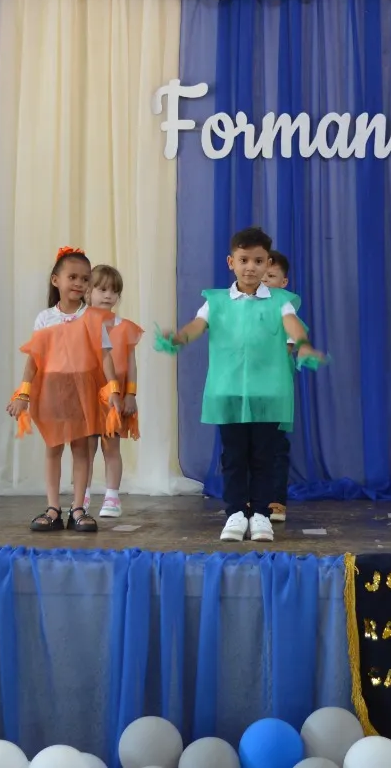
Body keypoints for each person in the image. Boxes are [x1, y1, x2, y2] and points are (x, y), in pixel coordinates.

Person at [159, 227, 325, 545]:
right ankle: (236, 512)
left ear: (267, 264)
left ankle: (261, 514)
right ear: (231, 262)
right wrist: (179, 337)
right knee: (234, 456)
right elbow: (197, 325)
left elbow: (292, 325)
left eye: (258, 261)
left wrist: (303, 344)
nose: (251, 267)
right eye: (244, 260)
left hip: (268, 394)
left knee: (264, 456)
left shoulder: (281, 301)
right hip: (229, 392)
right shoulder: (216, 301)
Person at [7, 248, 120, 533]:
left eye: (85, 279)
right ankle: (53, 508)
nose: (79, 283)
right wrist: (23, 395)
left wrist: (114, 390)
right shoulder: (45, 318)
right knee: (53, 449)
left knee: (82, 450)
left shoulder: (93, 317)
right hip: (52, 392)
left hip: (83, 392)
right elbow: (34, 360)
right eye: (73, 277)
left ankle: (78, 508)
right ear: (56, 280)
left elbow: (105, 355)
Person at [84, 265, 144, 519]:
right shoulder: (79, 324)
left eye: (114, 291)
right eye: (102, 289)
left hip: (115, 398)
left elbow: (131, 364)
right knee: (85, 449)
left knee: (111, 447)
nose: (108, 295)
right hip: (87, 395)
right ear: (88, 292)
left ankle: (112, 497)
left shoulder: (125, 327)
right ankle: (82, 496)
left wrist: (130, 394)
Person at [261, 251, 299, 523]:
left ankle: (276, 501)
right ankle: (250, 499)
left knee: (275, 446)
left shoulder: (285, 310)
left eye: (271, 276)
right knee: (247, 445)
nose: (264, 280)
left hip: (274, 390)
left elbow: (286, 348)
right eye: (262, 275)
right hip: (245, 389)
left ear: (283, 282)